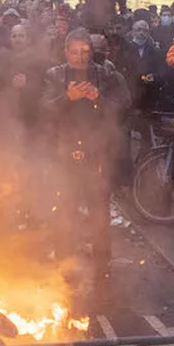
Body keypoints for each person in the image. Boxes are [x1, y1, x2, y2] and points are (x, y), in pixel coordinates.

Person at [41, 31, 129, 301]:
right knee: (64, 211)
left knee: (98, 213)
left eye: (85, 52)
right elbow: (42, 110)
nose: (80, 58)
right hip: (64, 155)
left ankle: (102, 265)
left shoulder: (106, 75)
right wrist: (67, 98)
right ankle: (66, 262)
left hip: (96, 155)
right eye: (75, 52)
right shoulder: (54, 76)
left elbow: (124, 105)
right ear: (66, 52)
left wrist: (98, 99)